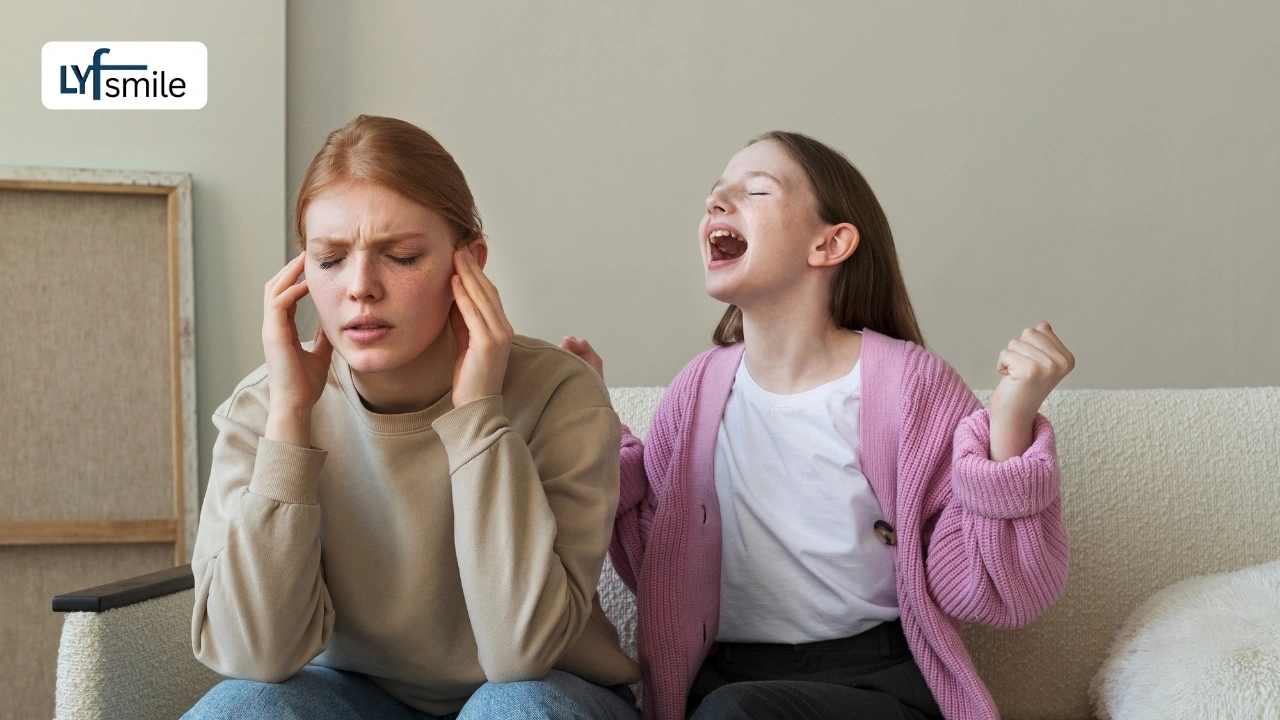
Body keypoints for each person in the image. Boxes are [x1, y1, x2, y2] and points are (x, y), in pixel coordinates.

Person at [562, 131, 1074, 720]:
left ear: (830, 243)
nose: (716, 205)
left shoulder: (911, 385)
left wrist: (1008, 427)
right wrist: (592, 422)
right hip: (721, 690)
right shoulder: (696, 391)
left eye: (753, 191)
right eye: (714, 195)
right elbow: (654, 562)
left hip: (879, 689)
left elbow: (997, 594)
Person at [186, 115, 640, 720]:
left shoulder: (561, 393)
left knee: (516, 710)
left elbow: (519, 654)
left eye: (399, 256)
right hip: (353, 697)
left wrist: (478, 414)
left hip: (548, 690)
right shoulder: (265, 406)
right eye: (329, 260)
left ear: (469, 264)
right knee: (238, 709)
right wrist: (290, 421)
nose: (361, 287)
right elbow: (256, 657)